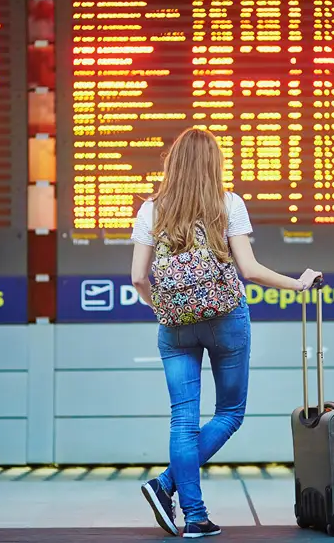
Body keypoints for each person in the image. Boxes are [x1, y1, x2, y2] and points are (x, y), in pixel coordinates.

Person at [131, 128, 322, 539]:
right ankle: (165, 485)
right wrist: (298, 284)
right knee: (230, 412)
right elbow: (250, 271)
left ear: (173, 163)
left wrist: (162, 308)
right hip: (227, 319)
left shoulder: (151, 209)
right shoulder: (228, 203)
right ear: (213, 164)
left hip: (174, 326)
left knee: (182, 420)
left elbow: (137, 277)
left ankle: (194, 517)